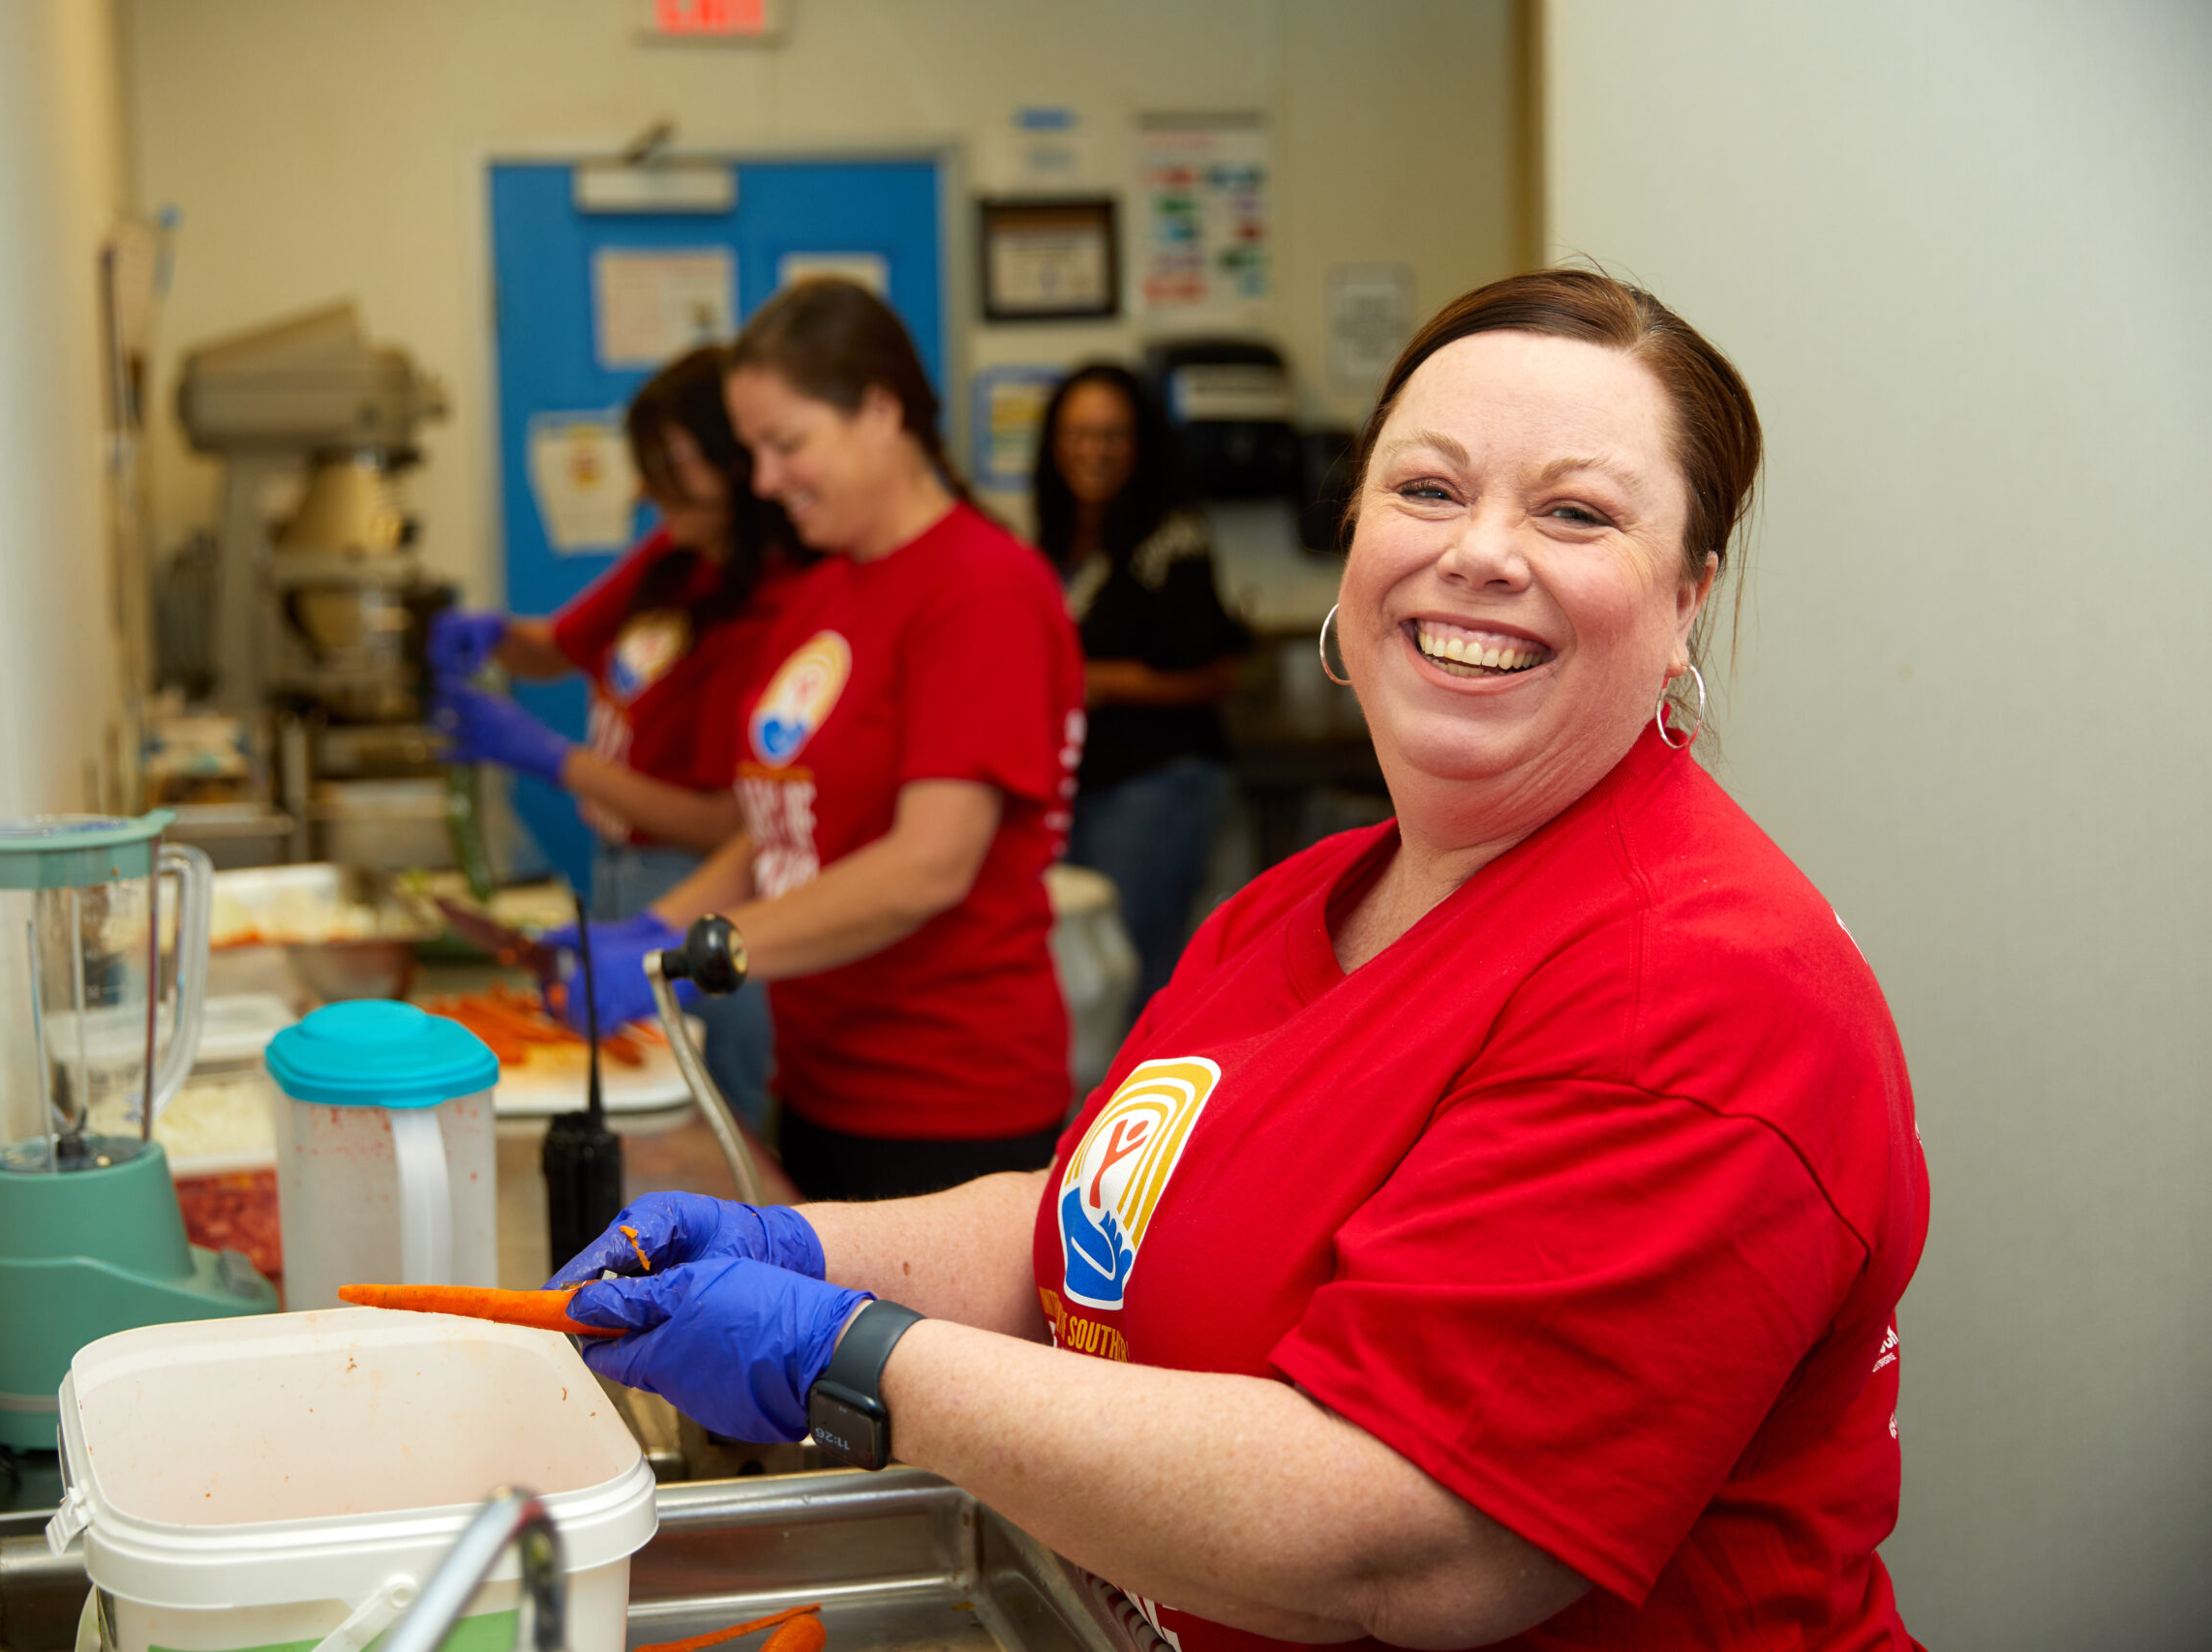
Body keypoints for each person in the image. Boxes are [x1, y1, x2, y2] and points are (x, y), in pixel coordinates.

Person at [543, 270, 1930, 1650]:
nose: (1481, 552)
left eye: (1575, 512)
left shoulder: (1700, 981)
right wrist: (807, 1243)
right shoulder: (1307, 897)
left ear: (1687, 597)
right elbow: (1097, 1220)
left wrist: (848, 1355)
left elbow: (1401, 1533)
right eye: (1428, 489)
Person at [557, 279, 1086, 1202]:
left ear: (881, 411)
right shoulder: (826, 588)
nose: (762, 481)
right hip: (818, 1087)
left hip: (946, 1113)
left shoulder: (982, 588)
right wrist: (656, 925)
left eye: (785, 443)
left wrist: (690, 954)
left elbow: (929, 865)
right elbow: (773, 828)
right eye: (753, 449)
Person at [429, 345, 806, 1127]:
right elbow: (560, 642)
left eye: (667, 464)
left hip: (717, 893)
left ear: (738, 458)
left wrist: (552, 756)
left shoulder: (780, 605)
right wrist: (494, 634)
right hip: (623, 877)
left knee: (716, 1114)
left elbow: (721, 823)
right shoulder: (672, 560)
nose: (642, 489)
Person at [1031, 363, 1251, 1018]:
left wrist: (1096, 680)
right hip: (1081, 786)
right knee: (1084, 968)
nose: (1093, 451)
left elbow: (1217, 672)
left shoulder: (1171, 536)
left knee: (1132, 974)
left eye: (1111, 435)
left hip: (1157, 785)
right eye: (1078, 434)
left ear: (1140, 443)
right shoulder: (1058, 534)